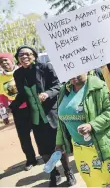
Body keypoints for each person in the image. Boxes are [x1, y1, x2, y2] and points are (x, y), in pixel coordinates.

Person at [9, 45, 76, 186]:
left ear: (34, 55)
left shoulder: (46, 68)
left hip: (50, 114)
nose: (24, 57)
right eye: (21, 55)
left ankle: (68, 172)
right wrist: (13, 105)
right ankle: (54, 174)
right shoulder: (18, 74)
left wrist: (47, 93)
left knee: (59, 145)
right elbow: (23, 94)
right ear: (18, 59)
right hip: (35, 117)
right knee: (44, 149)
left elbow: (58, 86)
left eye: (27, 54)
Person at [56, 73, 110, 187]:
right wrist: (59, 142)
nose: (73, 74)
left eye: (77, 70)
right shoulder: (64, 90)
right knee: (95, 182)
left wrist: (92, 125)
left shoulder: (100, 86)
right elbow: (62, 120)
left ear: (87, 70)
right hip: (81, 152)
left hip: (103, 145)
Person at [0, 53, 38, 170]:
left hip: (32, 107)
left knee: (40, 132)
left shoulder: (23, 71)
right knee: (23, 136)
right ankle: (31, 159)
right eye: (1, 62)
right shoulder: (1, 78)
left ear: (12, 60)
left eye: (6, 60)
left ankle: (48, 154)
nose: (4, 63)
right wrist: (4, 114)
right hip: (17, 110)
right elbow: (2, 97)